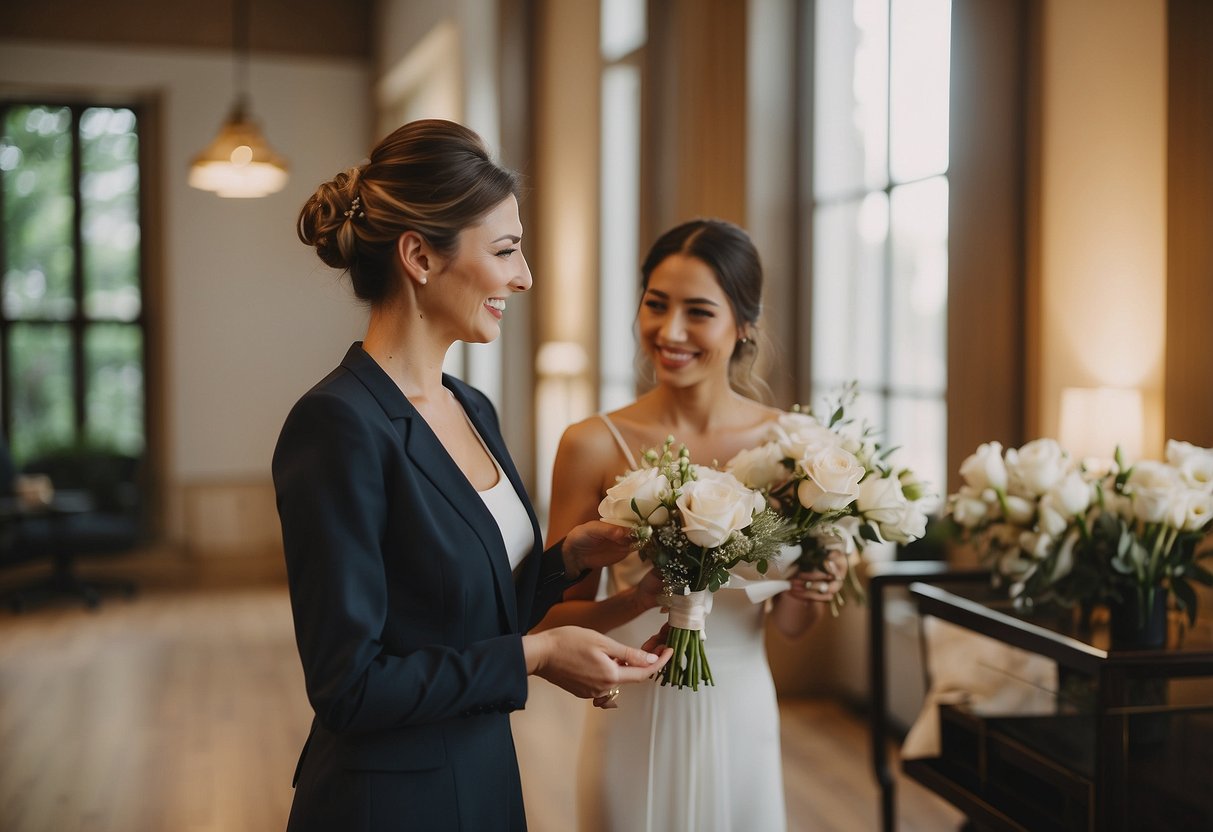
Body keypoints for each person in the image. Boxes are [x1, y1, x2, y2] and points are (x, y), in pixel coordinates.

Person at [273, 119, 670, 832]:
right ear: (420, 256)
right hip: (387, 801)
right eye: (507, 251)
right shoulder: (337, 426)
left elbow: (466, 615)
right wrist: (540, 653)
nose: (522, 277)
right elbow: (349, 688)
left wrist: (565, 560)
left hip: (480, 773)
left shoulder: (470, 405)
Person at [537, 218, 848, 832]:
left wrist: (815, 588)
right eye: (656, 304)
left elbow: (788, 625)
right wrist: (636, 599)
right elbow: (551, 617)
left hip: (742, 707)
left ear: (744, 325)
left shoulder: (795, 449)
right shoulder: (592, 445)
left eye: (698, 312)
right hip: (634, 707)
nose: (669, 331)